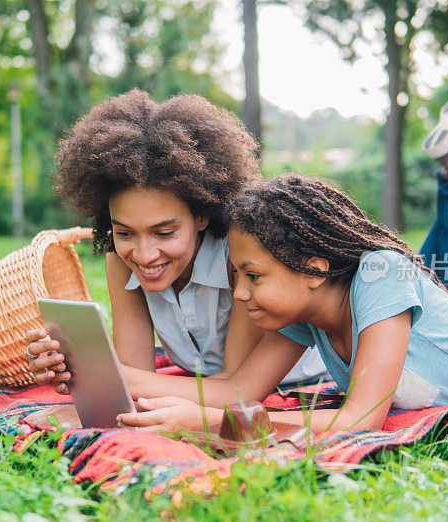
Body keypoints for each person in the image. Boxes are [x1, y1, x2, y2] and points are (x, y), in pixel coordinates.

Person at [118, 89, 448, 435]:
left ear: (316, 269)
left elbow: (360, 419)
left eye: (253, 276)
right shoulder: (303, 314)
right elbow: (238, 390)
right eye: (238, 275)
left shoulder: (380, 277)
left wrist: (212, 424)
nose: (238, 293)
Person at [24, 90, 327, 424]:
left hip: (299, 382)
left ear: (202, 216)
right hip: (211, 389)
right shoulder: (121, 260)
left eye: (164, 233)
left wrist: (109, 373)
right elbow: (136, 383)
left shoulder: (240, 260)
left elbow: (235, 389)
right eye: (124, 232)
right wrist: (78, 370)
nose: (144, 254)